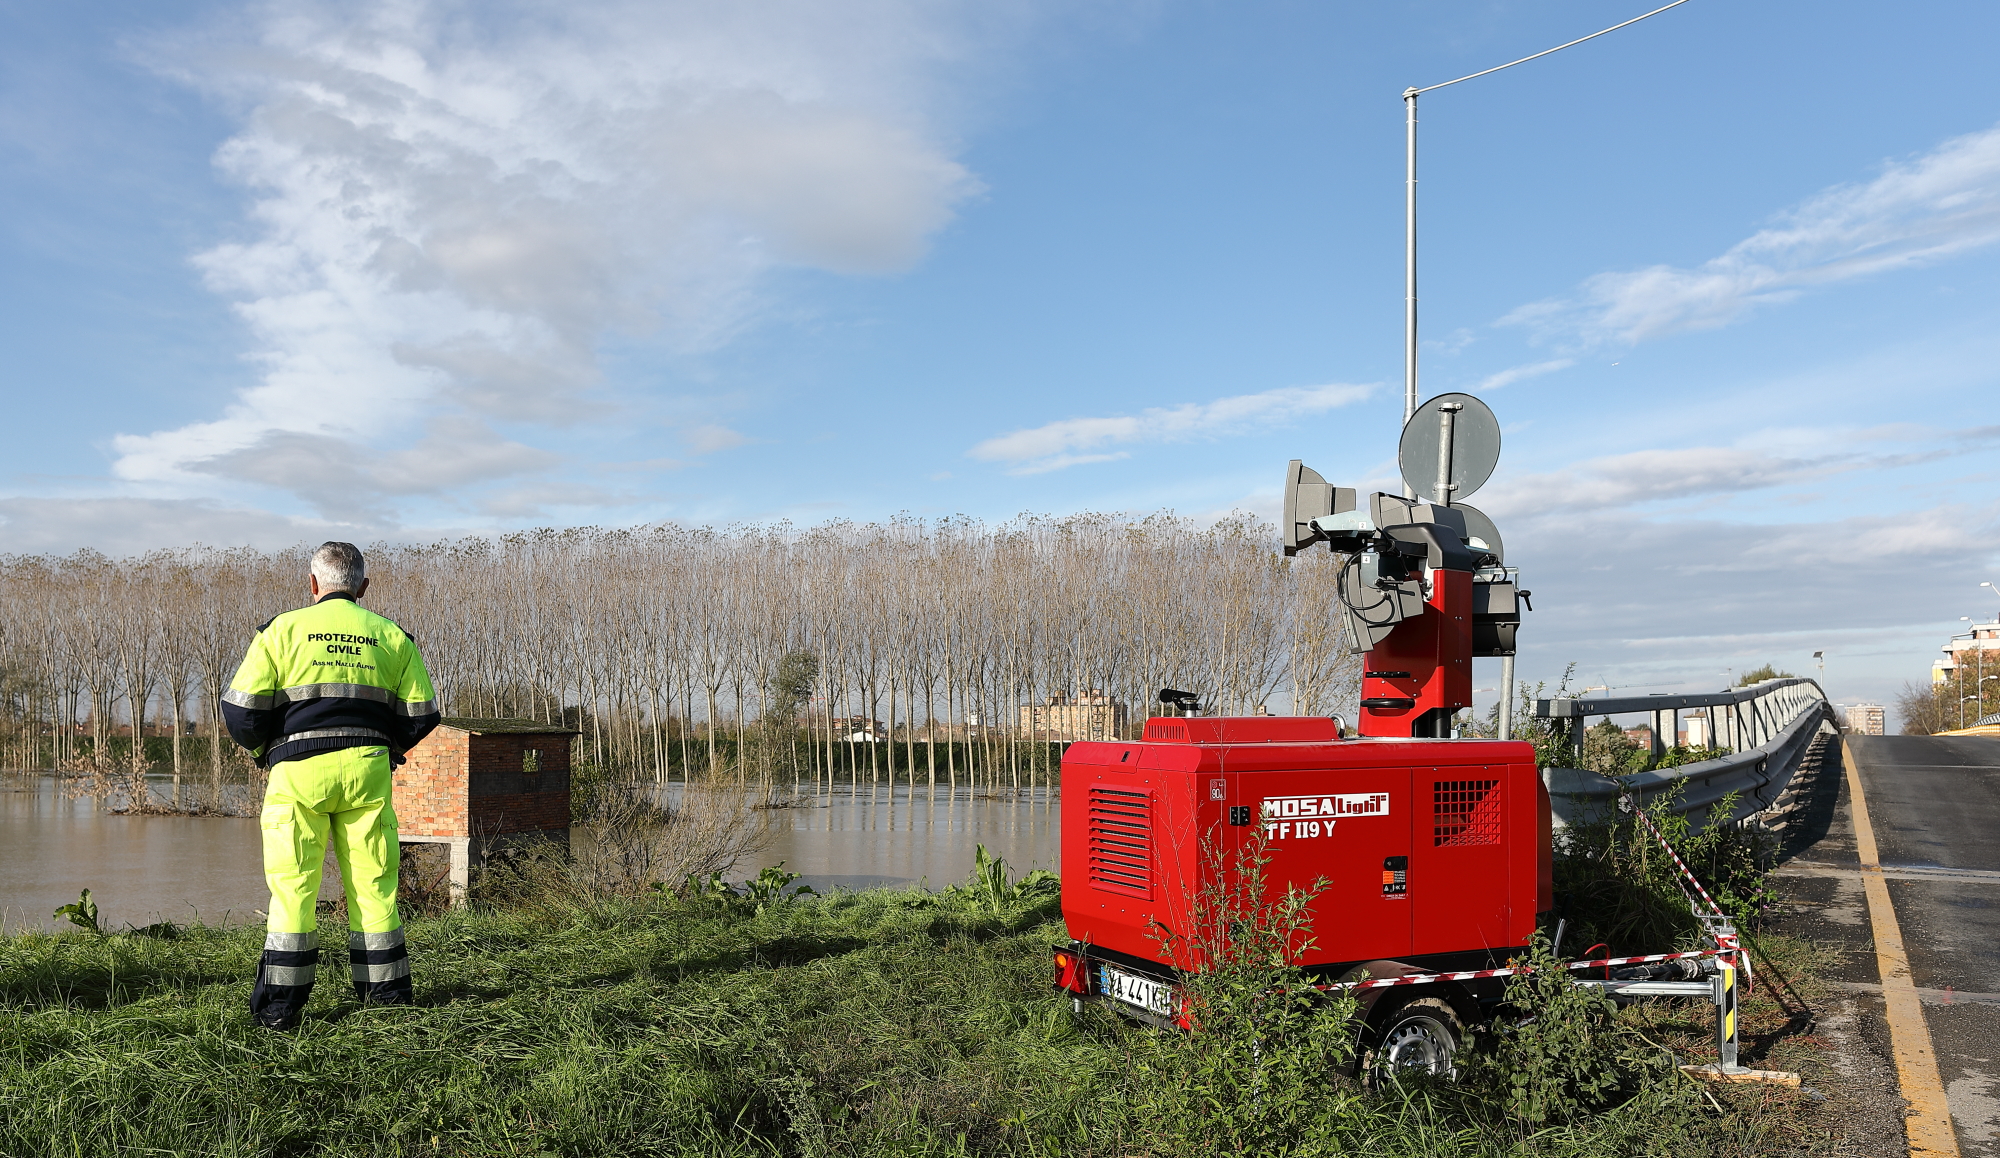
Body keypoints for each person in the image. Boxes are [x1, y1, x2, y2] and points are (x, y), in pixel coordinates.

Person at [221, 541, 440, 1030]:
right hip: (366, 771)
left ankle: (280, 1011)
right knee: (374, 887)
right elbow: (423, 713)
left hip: (298, 773)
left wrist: (265, 751)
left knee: (294, 889)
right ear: (363, 587)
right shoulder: (392, 636)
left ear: (313, 584)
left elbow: (240, 710)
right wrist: (388, 746)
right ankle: (385, 1002)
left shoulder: (280, 631)